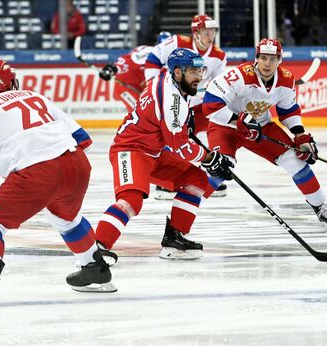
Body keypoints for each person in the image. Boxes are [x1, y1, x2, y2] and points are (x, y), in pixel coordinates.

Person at [0, 59, 116, 307]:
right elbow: (82, 138)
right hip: (77, 163)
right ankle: (94, 268)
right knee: (65, 218)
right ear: (12, 81)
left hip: (38, 172)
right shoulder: (36, 97)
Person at [93, 48, 233, 263]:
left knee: (196, 180)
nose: (199, 77)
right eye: (193, 72)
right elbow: (181, 148)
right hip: (131, 150)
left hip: (153, 153)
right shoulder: (172, 100)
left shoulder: (167, 80)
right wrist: (210, 158)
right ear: (177, 72)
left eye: (200, 71)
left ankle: (174, 237)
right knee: (130, 200)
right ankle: (96, 249)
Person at [203, 38, 327, 230]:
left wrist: (300, 136)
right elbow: (210, 103)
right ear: (257, 58)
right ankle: (187, 203)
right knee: (220, 169)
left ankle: (320, 207)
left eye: (272, 59)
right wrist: (239, 121)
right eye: (264, 58)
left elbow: (289, 110)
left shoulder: (286, 80)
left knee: (295, 160)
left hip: (260, 127)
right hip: (226, 127)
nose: (267, 64)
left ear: (280, 60)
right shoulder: (240, 76)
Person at [145, 15, 228, 199]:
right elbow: (153, 59)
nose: (210, 36)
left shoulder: (219, 55)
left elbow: (220, 83)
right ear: (196, 33)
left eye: (212, 32)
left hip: (197, 106)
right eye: (206, 32)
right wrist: (153, 87)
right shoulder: (177, 42)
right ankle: (165, 182)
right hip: (172, 101)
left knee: (196, 136)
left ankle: (204, 177)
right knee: (172, 138)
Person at [98, 31, 172, 113]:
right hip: (125, 86)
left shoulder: (174, 59)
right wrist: (112, 69)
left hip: (144, 88)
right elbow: (125, 62)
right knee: (139, 113)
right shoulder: (146, 53)